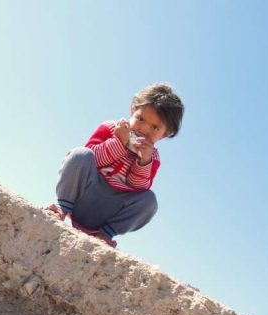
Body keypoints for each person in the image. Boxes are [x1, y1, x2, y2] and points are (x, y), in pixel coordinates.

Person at [46, 83, 184, 247]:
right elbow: (91, 158)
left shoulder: (152, 157)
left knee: (149, 201)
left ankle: (104, 235)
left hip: (109, 209)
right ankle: (61, 208)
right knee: (80, 155)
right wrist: (119, 142)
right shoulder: (111, 128)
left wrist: (143, 162)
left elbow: (137, 186)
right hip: (83, 195)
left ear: (165, 134)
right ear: (133, 110)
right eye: (140, 119)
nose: (143, 129)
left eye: (154, 127)